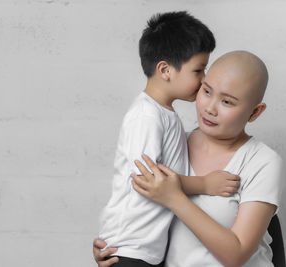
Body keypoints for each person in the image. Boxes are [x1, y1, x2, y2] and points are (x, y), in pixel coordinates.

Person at [94, 50, 283, 266]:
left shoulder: (263, 162)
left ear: (255, 113)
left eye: (227, 102)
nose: (210, 108)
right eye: (207, 91)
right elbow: (137, 209)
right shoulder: (171, 145)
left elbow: (236, 255)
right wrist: (118, 248)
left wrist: (174, 197)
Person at [97, 11, 240, 267]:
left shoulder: (164, 114)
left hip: (146, 249)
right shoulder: (146, 116)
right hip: (130, 247)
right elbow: (149, 181)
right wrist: (205, 184)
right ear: (165, 70)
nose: (204, 78)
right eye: (198, 70)